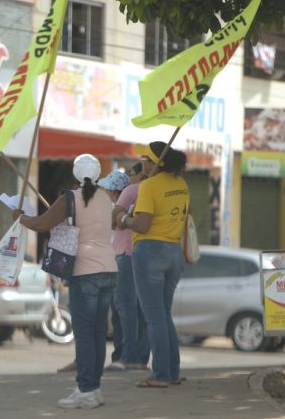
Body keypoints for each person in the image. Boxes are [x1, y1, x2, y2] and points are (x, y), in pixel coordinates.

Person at [14, 154, 117, 409]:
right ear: (97, 175)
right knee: (96, 333)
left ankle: (84, 390)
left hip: (84, 271)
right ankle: (94, 388)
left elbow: (41, 223)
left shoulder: (71, 197)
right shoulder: (105, 197)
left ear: (74, 174)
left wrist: (20, 217)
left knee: (84, 334)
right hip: (109, 269)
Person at [117, 142, 189, 388]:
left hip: (150, 251)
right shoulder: (181, 185)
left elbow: (142, 225)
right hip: (173, 251)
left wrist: (123, 218)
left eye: (147, 159)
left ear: (159, 162)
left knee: (155, 317)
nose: (144, 163)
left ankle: (160, 374)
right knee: (164, 315)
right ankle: (172, 371)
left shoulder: (147, 186)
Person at [107, 162, 151, 371]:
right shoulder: (155, 190)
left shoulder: (131, 190)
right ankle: (141, 358)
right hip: (146, 254)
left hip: (125, 253)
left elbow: (113, 219)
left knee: (124, 306)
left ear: (139, 173)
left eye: (131, 173)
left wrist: (122, 217)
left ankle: (128, 356)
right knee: (143, 309)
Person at [96, 170, 130, 370]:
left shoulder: (111, 209)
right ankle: (119, 354)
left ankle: (121, 355)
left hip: (112, 263)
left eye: (107, 188)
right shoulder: (115, 208)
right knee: (117, 314)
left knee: (117, 313)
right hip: (112, 262)